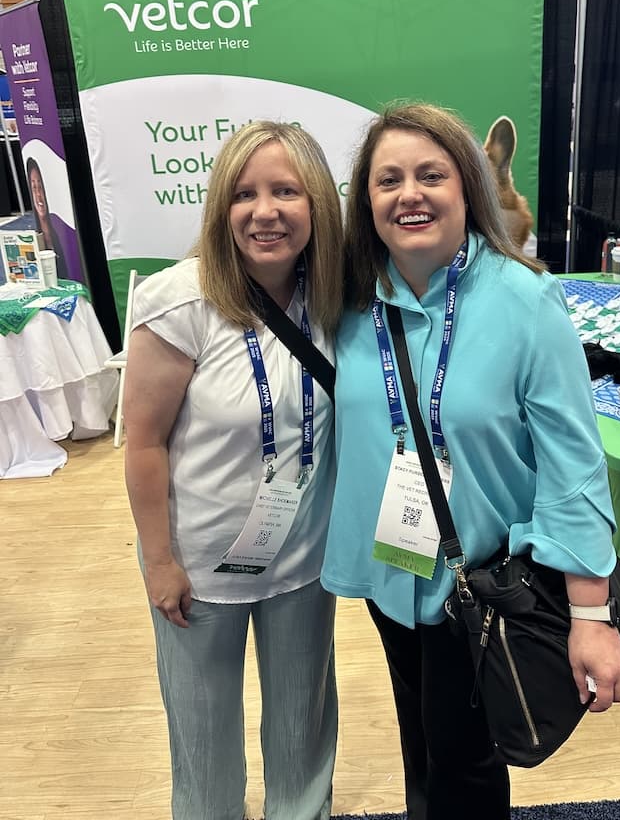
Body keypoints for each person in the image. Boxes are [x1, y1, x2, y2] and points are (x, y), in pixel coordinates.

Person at [321, 103, 620, 820]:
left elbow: (574, 464)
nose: (410, 194)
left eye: (431, 175)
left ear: (468, 187)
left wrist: (591, 613)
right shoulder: (349, 301)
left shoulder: (525, 300)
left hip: (482, 584)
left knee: (465, 762)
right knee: (423, 740)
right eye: (388, 180)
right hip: (392, 571)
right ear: (366, 202)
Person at [123, 121, 342, 820]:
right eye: (244, 194)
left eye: (286, 191)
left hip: (302, 562)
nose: (264, 211)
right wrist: (160, 561)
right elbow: (143, 443)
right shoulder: (179, 302)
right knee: (204, 743)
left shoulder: (337, 298)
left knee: (303, 733)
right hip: (198, 565)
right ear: (221, 206)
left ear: (317, 203)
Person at [26, 156, 68, 277]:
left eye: (40, 187)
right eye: (34, 188)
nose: (38, 194)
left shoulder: (63, 234)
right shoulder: (34, 240)